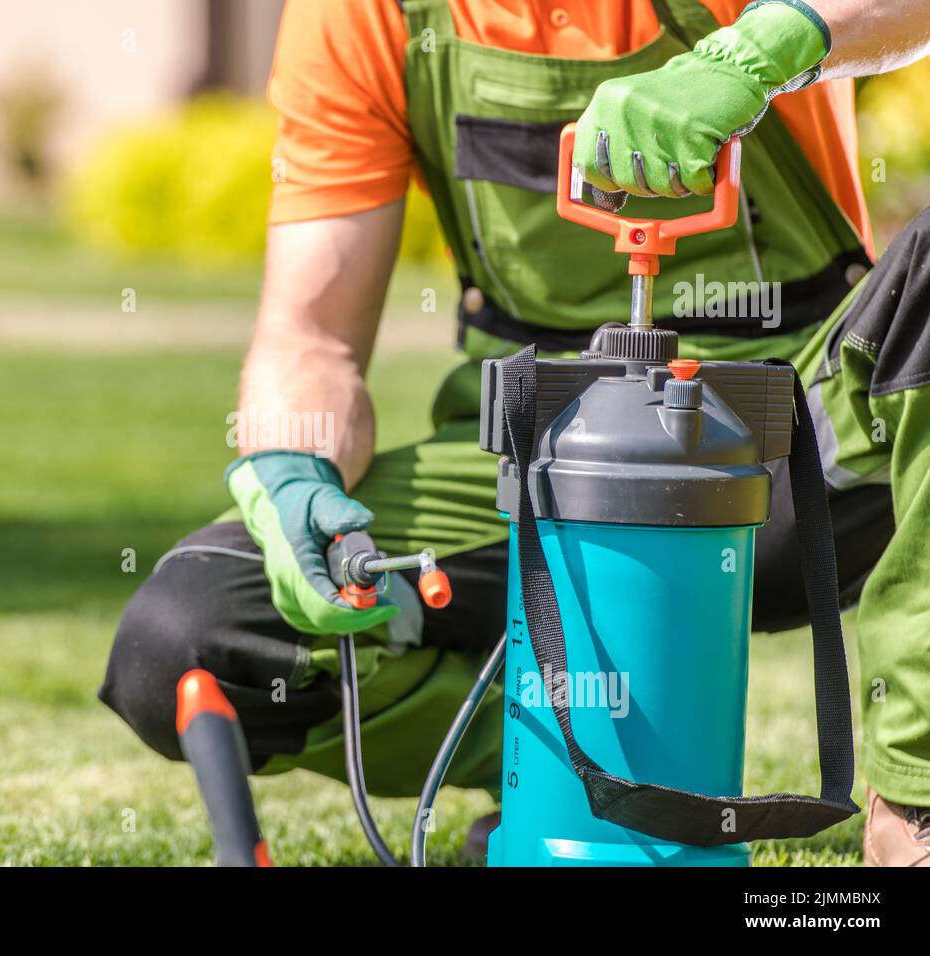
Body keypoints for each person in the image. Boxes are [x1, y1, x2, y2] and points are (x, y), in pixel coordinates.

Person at [101, 0, 930, 866]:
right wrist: (291, 466)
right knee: (189, 637)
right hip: (541, 468)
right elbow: (312, 339)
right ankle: (573, 774)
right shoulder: (366, 13)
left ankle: (914, 801)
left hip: (806, 440)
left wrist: (764, 47)